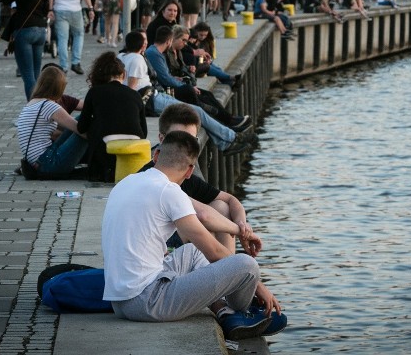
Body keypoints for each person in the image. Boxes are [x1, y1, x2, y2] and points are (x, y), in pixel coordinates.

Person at [102, 130, 283, 339]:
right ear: (190, 171)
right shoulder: (169, 191)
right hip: (148, 302)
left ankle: (224, 312)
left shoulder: (127, 182)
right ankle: (244, 310)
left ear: (156, 156)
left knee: (193, 252)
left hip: (120, 302)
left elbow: (204, 215)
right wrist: (258, 286)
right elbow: (214, 250)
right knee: (246, 264)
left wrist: (240, 230)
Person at [140, 104, 263, 255]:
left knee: (221, 206)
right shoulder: (155, 178)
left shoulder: (187, 176)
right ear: (161, 139)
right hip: (156, 251)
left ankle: (229, 267)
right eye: (178, 140)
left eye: (191, 141)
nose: (185, 148)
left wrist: (242, 224)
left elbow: (231, 200)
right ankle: (232, 268)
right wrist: (242, 232)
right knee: (204, 224)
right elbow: (204, 216)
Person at [118, 31, 254, 156]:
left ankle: (225, 143)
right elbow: (132, 88)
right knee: (195, 111)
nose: (147, 43)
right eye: (145, 40)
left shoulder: (120, 57)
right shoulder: (137, 58)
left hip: (155, 95)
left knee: (198, 109)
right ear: (141, 44)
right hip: (151, 99)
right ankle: (232, 137)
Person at [157, 25, 250, 130]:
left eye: (186, 41)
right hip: (174, 88)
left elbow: (182, 67)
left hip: (182, 83)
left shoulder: (178, 51)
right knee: (199, 98)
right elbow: (167, 76)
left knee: (208, 94)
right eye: (183, 40)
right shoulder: (166, 53)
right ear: (173, 38)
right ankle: (227, 122)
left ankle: (229, 119)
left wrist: (188, 69)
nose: (185, 43)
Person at [76, 52, 147, 183]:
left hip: (104, 149)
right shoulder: (135, 95)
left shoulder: (94, 92)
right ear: (124, 75)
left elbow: (81, 127)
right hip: (134, 146)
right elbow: (144, 131)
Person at [16, 66, 88, 180]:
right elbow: (80, 129)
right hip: (47, 164)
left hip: (37, 162)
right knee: (83, 125)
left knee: (81, 121)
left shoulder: (32, 103)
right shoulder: (49, 106)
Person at [1, 0, 50, 100]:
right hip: (41, 30)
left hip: (23, 29)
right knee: (36, 74)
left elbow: (6, 0)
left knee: (28, 75)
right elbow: (45, 9)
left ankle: (33, 111)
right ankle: (40, 109)